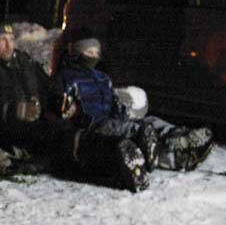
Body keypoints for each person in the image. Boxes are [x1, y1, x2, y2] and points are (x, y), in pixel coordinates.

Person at [0, 21, 152, 192]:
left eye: (11, 39)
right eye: (2, 39)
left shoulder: (23, 61)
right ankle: (116, 154)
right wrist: (15, 109)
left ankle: (122, 157)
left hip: (38, 122)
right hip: (5, 128)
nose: (9, 45)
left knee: (66, 131)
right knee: (57, 139)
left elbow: (49, 87)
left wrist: (62, 102)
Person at [54, 37, 213, 172]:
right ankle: (161, 151)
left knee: (151, 121)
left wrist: (121, 109)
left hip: (114, 119)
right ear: (77, 53)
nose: (94, 56)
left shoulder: (102, 78)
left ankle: (180, 138)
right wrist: (75, 113)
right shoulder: (67, 77)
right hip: (95, 124)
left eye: (96, 52)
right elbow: (63, 106)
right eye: (89, 52)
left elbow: (112, 100)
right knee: (137, 131)